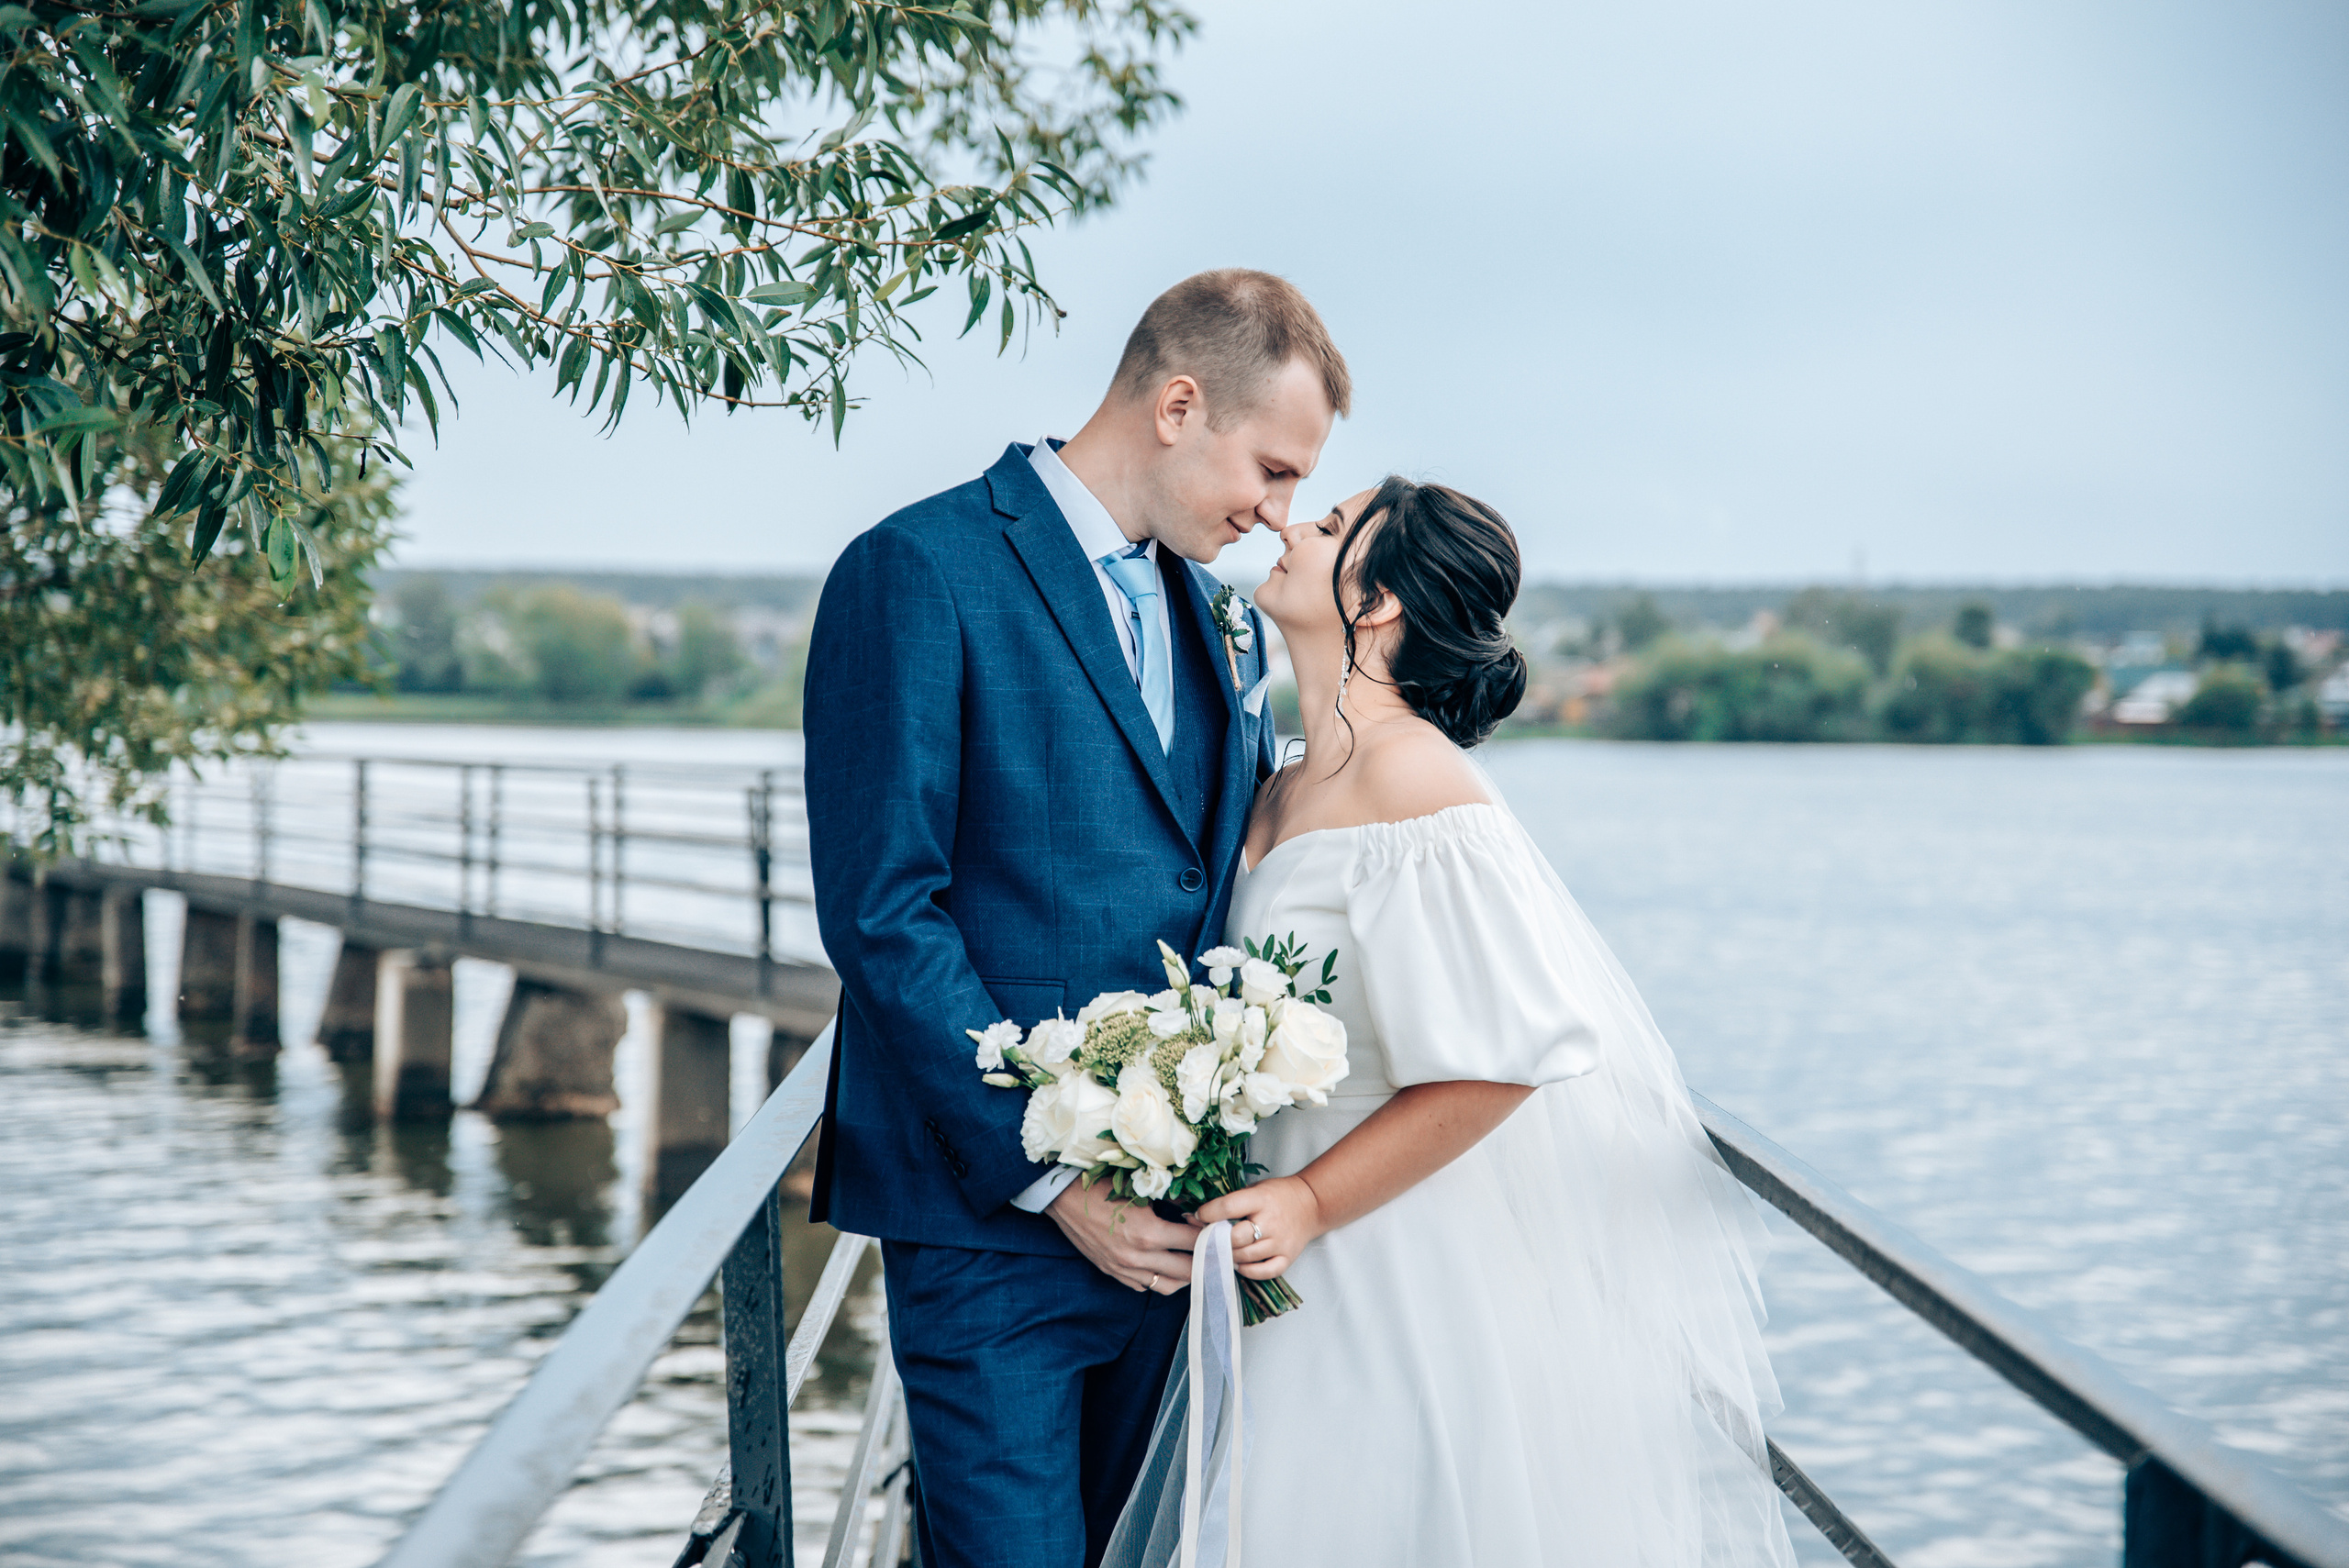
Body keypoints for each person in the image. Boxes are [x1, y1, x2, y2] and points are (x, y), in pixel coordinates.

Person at [1106, 478, 1798, 1567]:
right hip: (1269, 1261)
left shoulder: (1414, 778)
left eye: (1328, 525)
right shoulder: (1282, 776)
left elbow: (1502, 1062)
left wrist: (1310, 1197)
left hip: (1377, 1252)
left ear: (1375, 603)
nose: (1289, 525)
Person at [801, 269, 1352, 1568]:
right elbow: (885, 910)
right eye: (1270, 471)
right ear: (1177, 405)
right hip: (991, 1229)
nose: (1277, 518)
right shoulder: (916, 570)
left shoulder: (1220, 620)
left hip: (1178, 1243)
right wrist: (1052, 1173)